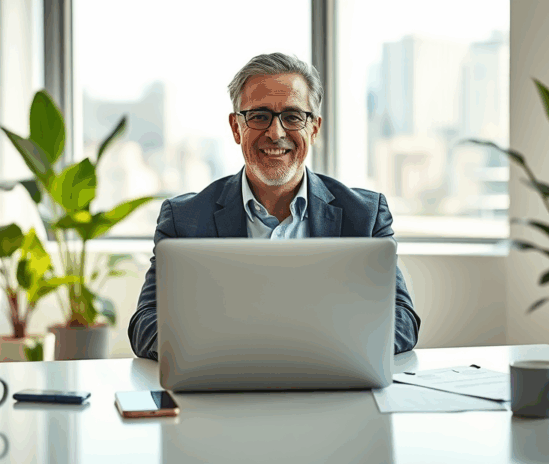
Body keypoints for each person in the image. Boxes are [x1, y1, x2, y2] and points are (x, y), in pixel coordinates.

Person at [129, 53, 420, 360]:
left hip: (329, 385)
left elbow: (403, 322)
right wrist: (250, 351)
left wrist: (306, 348)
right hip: (226, 388)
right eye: (259, 116)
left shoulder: (365, 216)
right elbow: (145, 326)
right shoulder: (184, 219)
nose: (276, 133)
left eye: (293, 116)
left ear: (315, 128)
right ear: (236, 127)